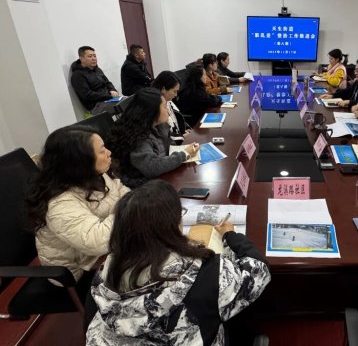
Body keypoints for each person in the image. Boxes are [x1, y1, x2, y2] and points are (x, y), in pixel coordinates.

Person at [86, 180, 271, 345]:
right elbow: (258, 272)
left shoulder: (104, 276)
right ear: (171, 225)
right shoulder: (205, 277)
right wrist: (230, 236)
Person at [26, 125, 129, 295]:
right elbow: (97, 241)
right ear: (80, 162)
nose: (109, 153)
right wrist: (128, 208)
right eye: (102, 150)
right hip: (78, 272)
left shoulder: (95, 175)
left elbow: (122, 191)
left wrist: (128, 205)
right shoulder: (59, 204)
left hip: (103, 251)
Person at [109, 88, 199, 188]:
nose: (168, 111)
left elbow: (169, 147)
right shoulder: (137, 137)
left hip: (162, 177)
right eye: (164, 107)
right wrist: (185, 154)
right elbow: (152, 167)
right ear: (152, 111)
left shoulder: (157, 126)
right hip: (147, 187)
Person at [71, 46, 121, 115]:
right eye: (90, 56)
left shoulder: (97, 70)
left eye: (94, 56)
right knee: (127, 104)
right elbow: (87, 95)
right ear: (81, 59)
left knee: (130, 100)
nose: (94, 58)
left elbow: (108, 82)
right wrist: (108, 95)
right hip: (96, 106)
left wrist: (113, 90)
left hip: (109, 99)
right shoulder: (77, 75)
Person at [151, 70, 189, 136]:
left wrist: (186, 129)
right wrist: (181, 137)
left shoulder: (169, 101)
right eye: (174, 91)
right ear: (163, 89)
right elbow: (163, 136)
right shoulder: (154, 108)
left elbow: (178, 119)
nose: (176, 95)